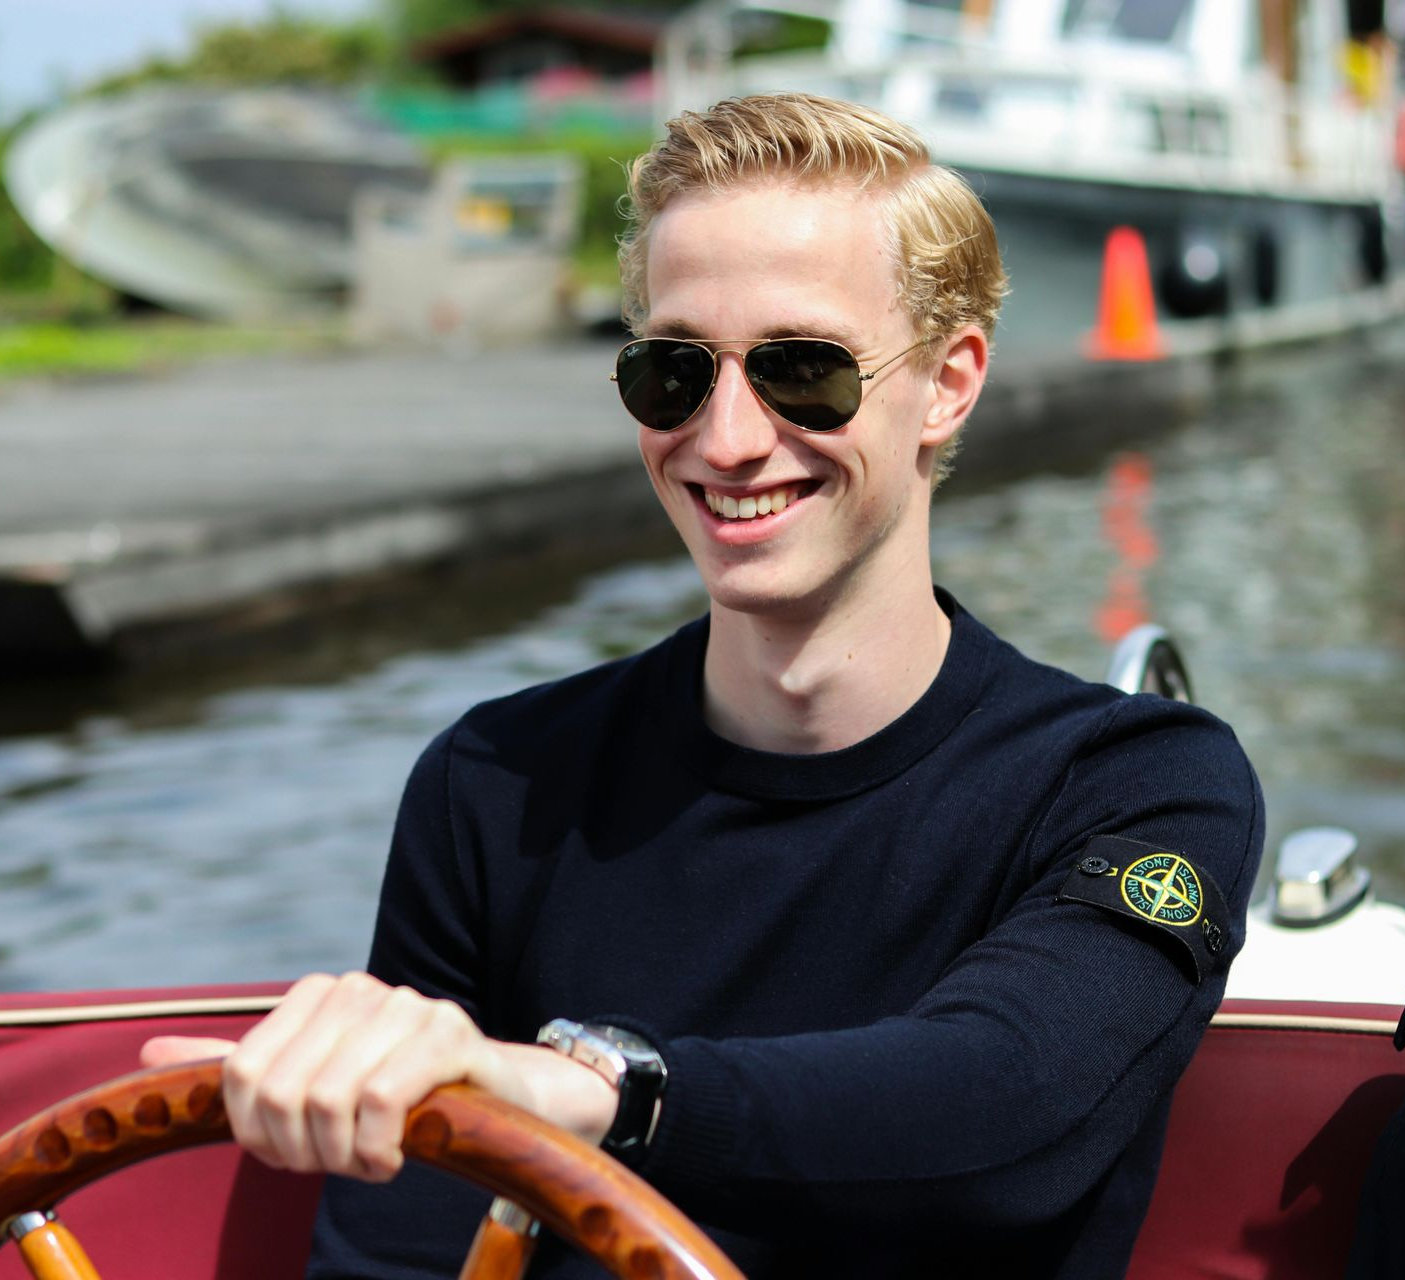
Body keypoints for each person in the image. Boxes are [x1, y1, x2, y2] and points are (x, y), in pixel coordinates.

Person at [144, 93, 1264, 1278]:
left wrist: (588, 1089)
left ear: (946, 383)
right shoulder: (493, 783)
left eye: (801, 369)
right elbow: (398, 1252)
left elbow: (1007, 1098)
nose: (726, 438)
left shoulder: (1136, 784)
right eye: (674, 370)